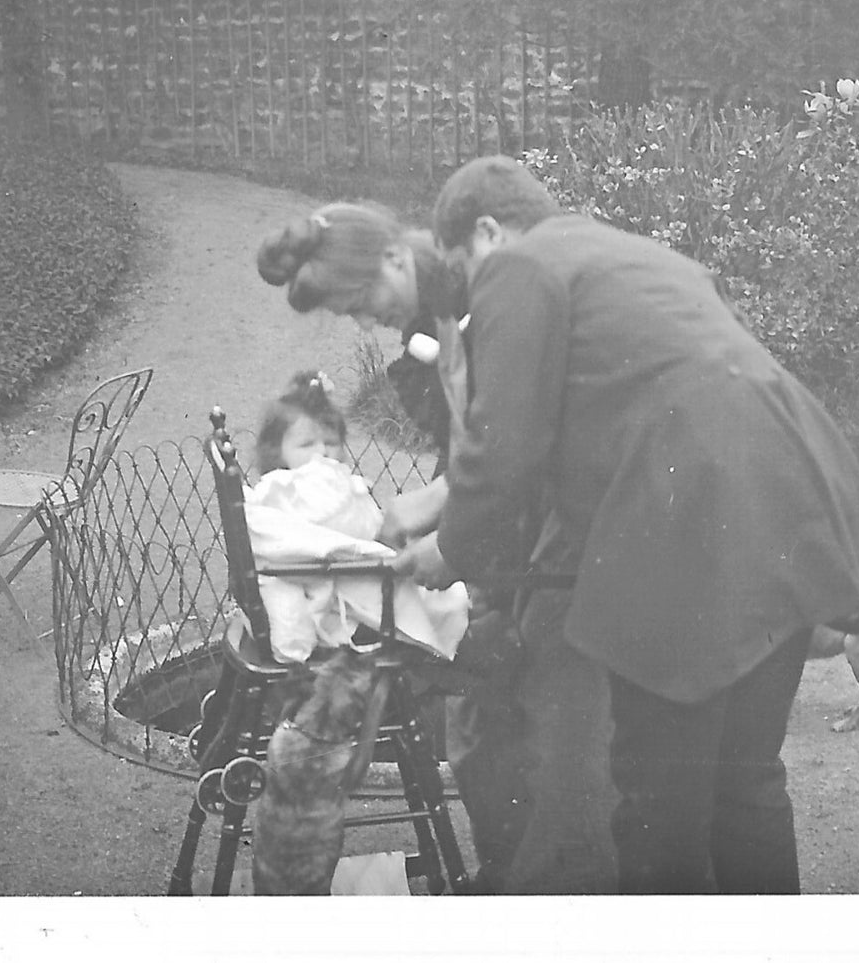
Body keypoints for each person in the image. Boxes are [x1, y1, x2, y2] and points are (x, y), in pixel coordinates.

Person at [391, 154, 859, 894]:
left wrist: (447, 552)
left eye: (464, 266)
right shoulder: (627, 253)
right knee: (745, 780)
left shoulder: (521, 267)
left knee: (658, 796)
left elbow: (505, 444)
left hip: (688, 517)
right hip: (788, 486)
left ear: (485, 231)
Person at [255, 202, 618, 893]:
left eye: (361, 301)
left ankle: (558, 894)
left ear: (394, 258)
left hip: (574, 532)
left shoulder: (496, 298)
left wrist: (443, 530)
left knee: (561, 739)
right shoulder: (438, 319)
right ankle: (510, 877)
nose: (365, 321)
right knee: (479, 723)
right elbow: (474, 453)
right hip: (515, 538)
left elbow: (519, 446)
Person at [245, 368, 467, 664]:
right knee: (429, 600)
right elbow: (342, 532)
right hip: (338, 603)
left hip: (344, 579)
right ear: (277, 451)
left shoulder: (323, 483)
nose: (321, 453)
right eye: (306, 445)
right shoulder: (292, 490)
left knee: (437, 595)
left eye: (331, 442)